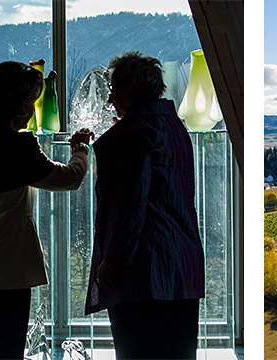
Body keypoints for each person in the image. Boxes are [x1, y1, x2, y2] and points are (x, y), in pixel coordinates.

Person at [0, 61, 92, 359]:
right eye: (29, 104)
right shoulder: (18, 148)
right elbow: (69, 179)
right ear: (18, 108)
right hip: (7, 274)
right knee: (8, 351)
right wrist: (81, 151)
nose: (30, 111)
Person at [85, 51, 204, 359]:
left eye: (115, 87)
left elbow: (130, 205)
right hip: (183, 267)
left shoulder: (134, 133)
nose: (110, 96)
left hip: (144, 272)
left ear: (131, 86)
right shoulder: (173, 126)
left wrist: (112, 261)